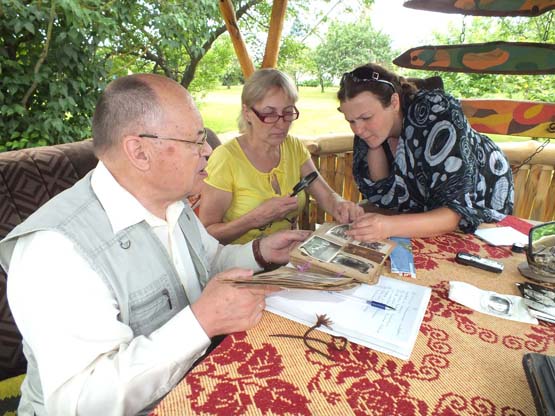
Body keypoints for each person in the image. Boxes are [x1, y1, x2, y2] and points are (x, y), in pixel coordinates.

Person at [0, 73, 310, 416]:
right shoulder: (54, 252)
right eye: (195, 140)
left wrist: (261, 251)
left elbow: (212, 261)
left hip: (191, 387)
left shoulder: (174, 204)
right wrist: (201, 322)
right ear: (139, 151)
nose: (208, 150)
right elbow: (79, 403)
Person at [337, 63, 514, 242]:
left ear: (394, 102)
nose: (358, 130)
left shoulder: (438, 115)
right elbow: (384, 194)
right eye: (350, 121)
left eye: (366, 118)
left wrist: (387, 226)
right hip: (429, 215)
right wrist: (373, 143)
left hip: (483, 198)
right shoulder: (368, 129)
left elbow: (454, 213)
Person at [199, 68, 363, 245]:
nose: (281, 124)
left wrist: (340, 205)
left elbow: (325, 195)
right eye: (269, 114)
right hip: (239, 265)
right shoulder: (226, 159)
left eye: (287, 113)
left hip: (286, 258)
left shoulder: (293, 147)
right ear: (247, 113)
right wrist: (255, 219)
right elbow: (207, 235)